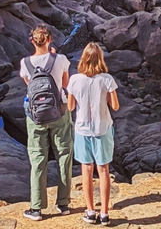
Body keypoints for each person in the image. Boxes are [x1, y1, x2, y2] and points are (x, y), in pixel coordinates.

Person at [20, 25, 74, 221]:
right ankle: (63, 203)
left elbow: (30, 86)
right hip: (60, 111)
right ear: (50, 39)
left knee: (37, 158)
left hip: (35, 116)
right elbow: (65, 84)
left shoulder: (25, 63)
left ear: (32, 41)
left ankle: (36, 208)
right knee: (64, 155)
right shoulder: (60, 60)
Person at [67, 43, 120, 226]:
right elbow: (115, 106)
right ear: (100, 59)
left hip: (82, 129)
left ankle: (90, 211)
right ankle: (104, 213)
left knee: (86, 170)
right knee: (104, 170)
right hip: (102, 128)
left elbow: (70, 107)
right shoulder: (107, 79)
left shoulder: (74, 80)